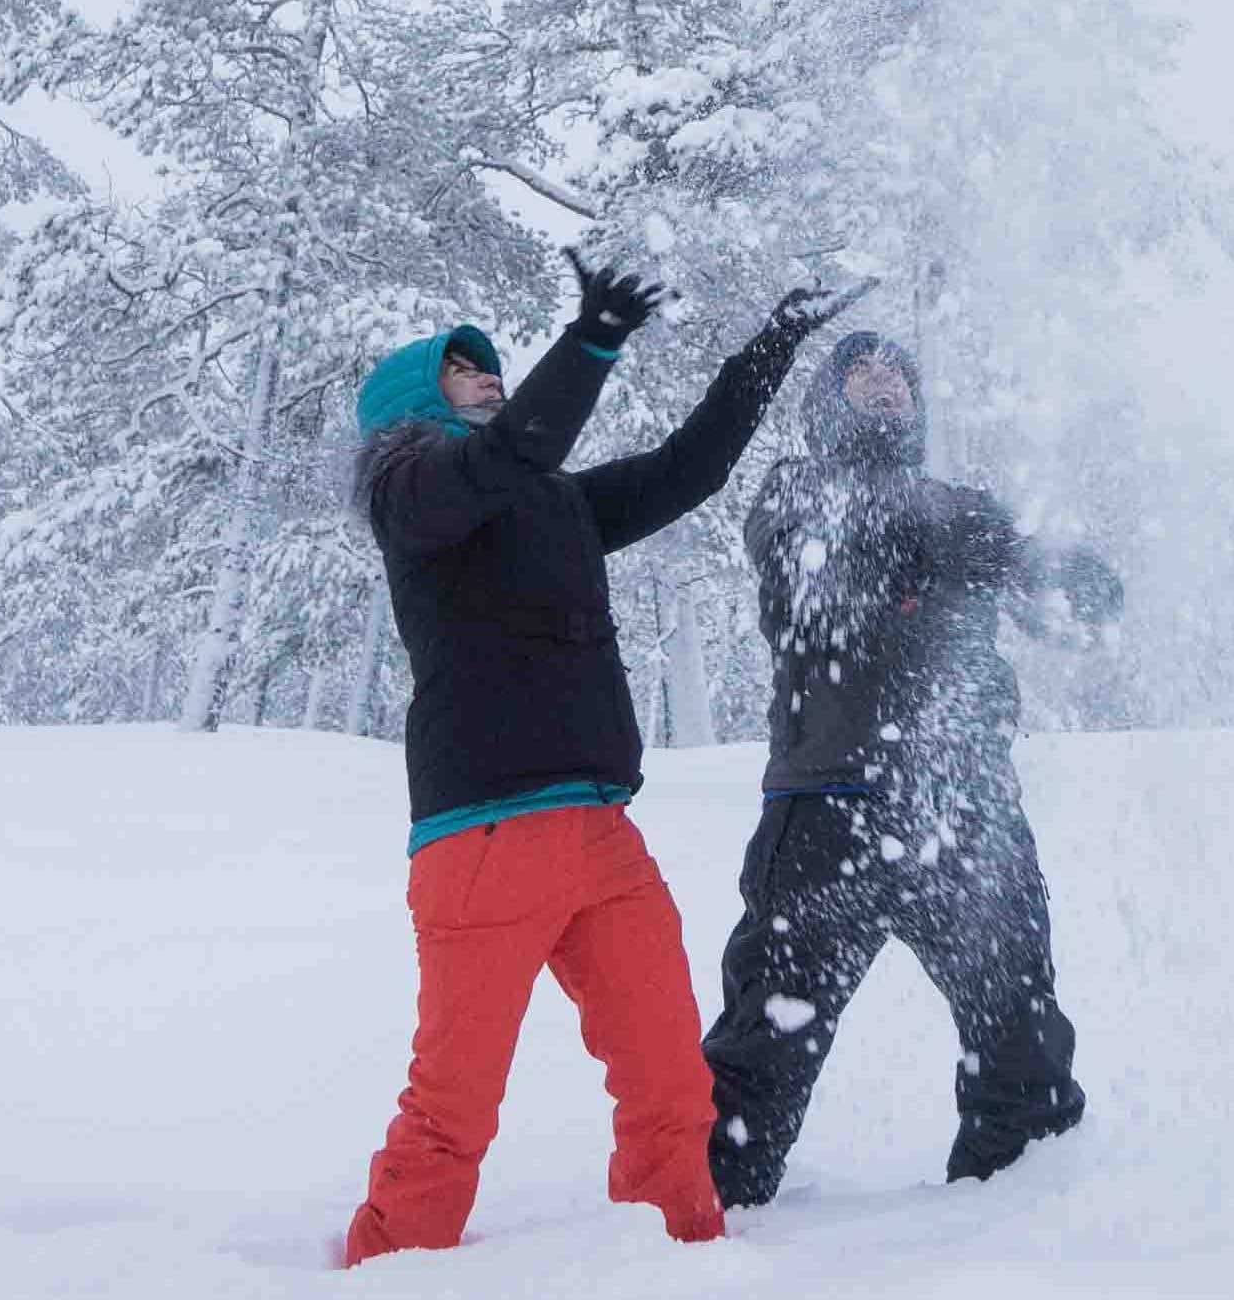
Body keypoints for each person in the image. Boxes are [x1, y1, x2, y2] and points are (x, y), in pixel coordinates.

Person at [340, 251, 853, 1265]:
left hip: (601, 834)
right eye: (461, 370)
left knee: (671, 1081)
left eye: (488, 366)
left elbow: (684, 470)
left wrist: (769, 351)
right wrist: (592, 339)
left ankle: (680, 1257)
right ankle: (388, 1266)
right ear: (411, 398)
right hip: (485, 834)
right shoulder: (412, 494)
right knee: (454, 1103)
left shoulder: (549, 499)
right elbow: (496, 461)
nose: (486, 376)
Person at [704, 329, 1121, 1209]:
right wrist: (945, 542)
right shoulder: (792, 494)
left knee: (1023, 1043)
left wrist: (1070, 579)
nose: (885, 383)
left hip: (963, 813)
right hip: (827, 813)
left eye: (898, 374)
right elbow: (822, 579)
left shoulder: (963, 508)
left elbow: (1050, 604)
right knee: (760, 1056)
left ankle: (1013, 1226)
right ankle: (703, 1224)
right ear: (829, 400)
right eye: (862, 373)